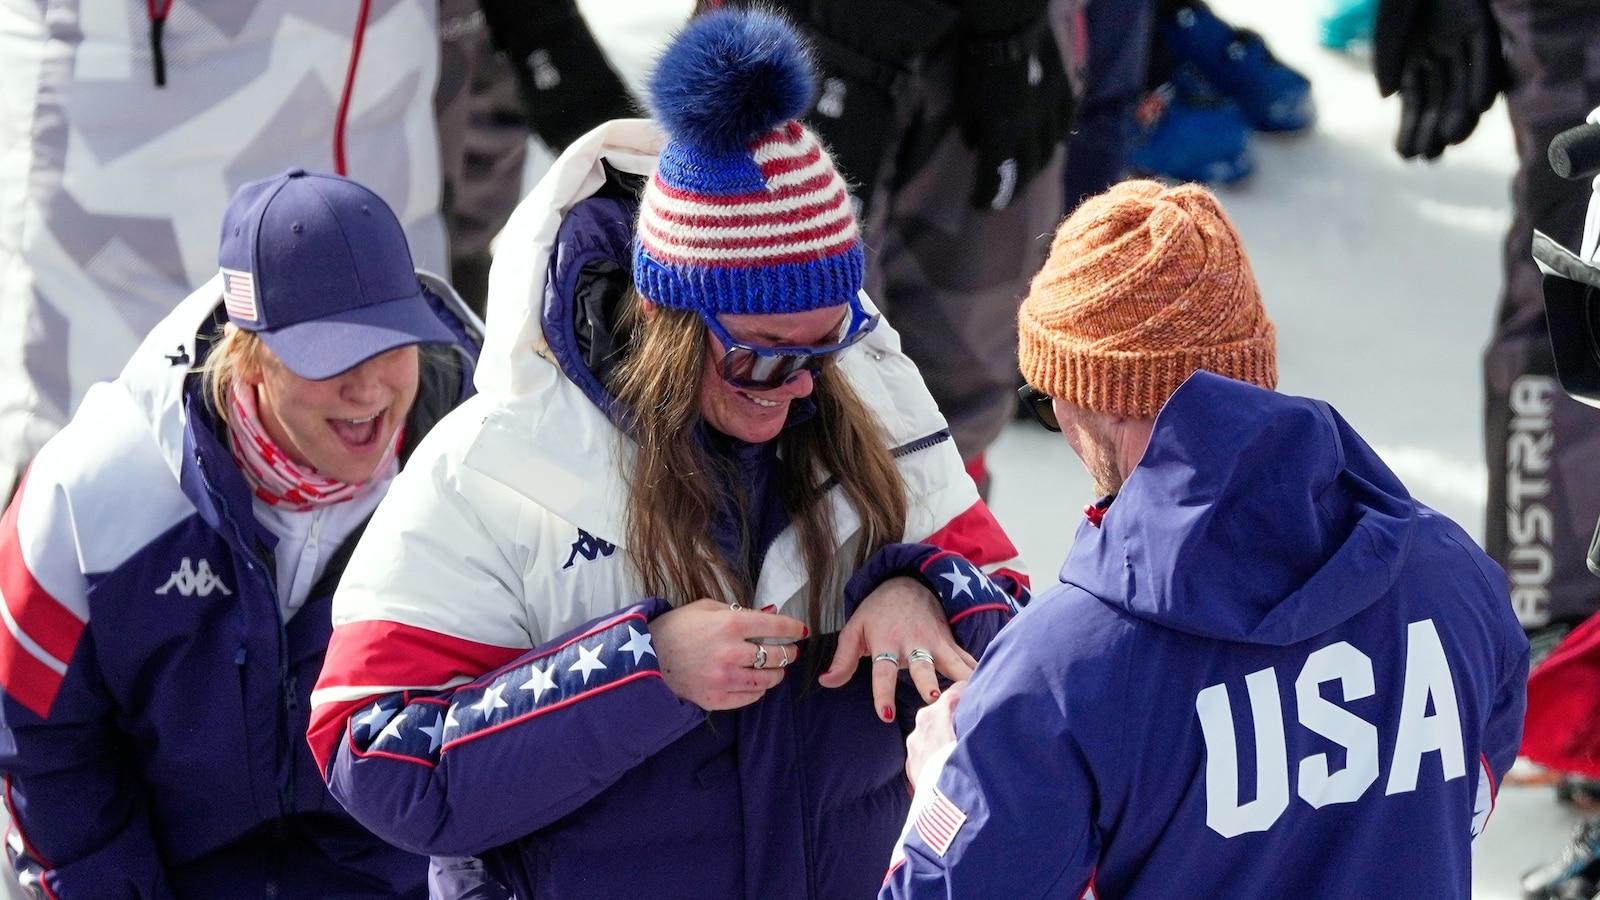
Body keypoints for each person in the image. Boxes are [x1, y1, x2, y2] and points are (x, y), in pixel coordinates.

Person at [306, 9, 1029, 898]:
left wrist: (926, 593)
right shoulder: (495, 461)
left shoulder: (867, 401)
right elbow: (374, 751)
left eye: (825, 346)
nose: (798, 386)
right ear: (665, 317)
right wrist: (641, 670)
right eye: (762, 353)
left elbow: (1021, 640)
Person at [880, 180, 1529, 898]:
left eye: (1046, 401)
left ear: (1102, 401)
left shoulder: (1059, 673)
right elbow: (1468, 795)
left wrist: (944, 787)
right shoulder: (1455, 578)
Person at [0, 169, 482, 896]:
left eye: (390, 342)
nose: (368, 388)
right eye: (330, 355)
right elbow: (39, 741)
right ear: (249, 353)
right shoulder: (88, 494)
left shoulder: (491, 470)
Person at [702, 0, 1080, 495]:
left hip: (992, 42)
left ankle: (939, 524)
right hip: (795, 36)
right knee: (760, 350)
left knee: (958, 382)